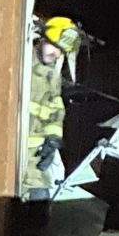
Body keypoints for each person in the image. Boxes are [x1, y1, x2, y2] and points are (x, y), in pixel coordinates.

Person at [23, 17, 81, 197]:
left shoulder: (52, 76)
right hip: (15, 154)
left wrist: (53, 139)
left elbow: (56, 110)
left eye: (60, 50)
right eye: (54, 46)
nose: (56, 53)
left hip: (36, 159)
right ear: (43, 39)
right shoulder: (23, 64)